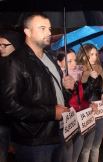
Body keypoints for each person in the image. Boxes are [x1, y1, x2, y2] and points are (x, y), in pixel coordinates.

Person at [0, 13, 75, 162]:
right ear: (27, 32)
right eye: (42, 28)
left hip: (58, 132)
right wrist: (50, 112)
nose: (49, 32)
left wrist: (66, 89)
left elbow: (55, 96)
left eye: (49, 28)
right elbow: (9, 106)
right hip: (34, 140)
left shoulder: (51, 58)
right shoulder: (15, 62)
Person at [77, 44, 103, 162]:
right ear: (84, 55)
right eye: (91, 54)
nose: (94, 57)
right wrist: (90, 78)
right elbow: (80, 94)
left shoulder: (99, 68)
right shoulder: (79, 70)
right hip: (87, 109)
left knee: (97, 145)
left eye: (96, 54)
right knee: (87, 147)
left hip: (100, 109)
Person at [0, 30, 22, 162]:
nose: (0, 48)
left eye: (4, 45)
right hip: (2, 121)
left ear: (15, 45)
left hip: (20, 122)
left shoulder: (23, 65)